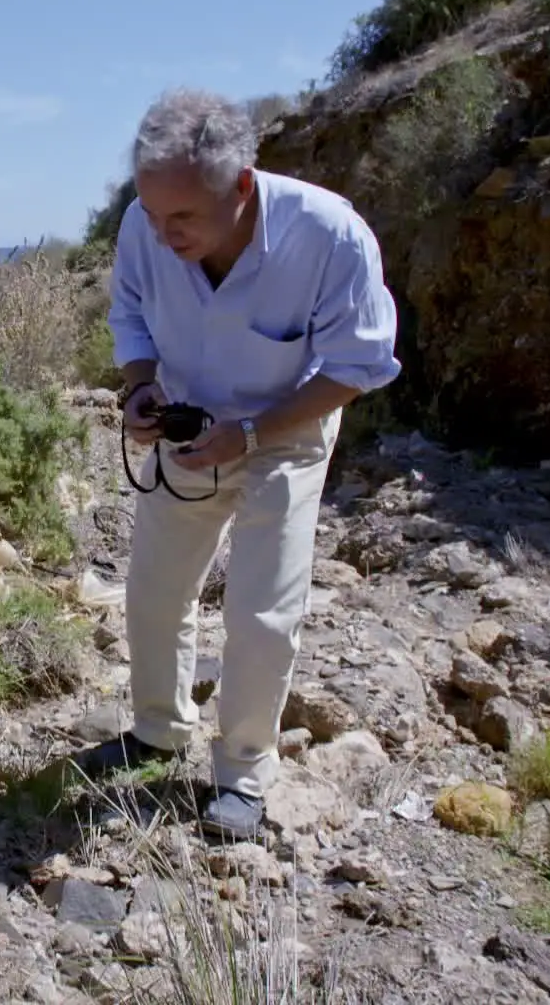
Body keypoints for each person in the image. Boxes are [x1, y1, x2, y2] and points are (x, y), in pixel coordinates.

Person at [76, 88, 402, 842]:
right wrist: (141, 387)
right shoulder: (143, 227)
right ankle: (159, 729)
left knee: (261, 611)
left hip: (286, 433)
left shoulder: (330, 235)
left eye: (182, 218)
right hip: (188, 429)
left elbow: (357, 364)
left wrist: (251, 432)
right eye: (153, 214)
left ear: (243, 187)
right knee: (155, 589)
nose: (163, 233)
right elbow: (128, 309)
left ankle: (245, 776)